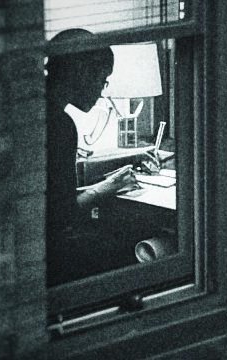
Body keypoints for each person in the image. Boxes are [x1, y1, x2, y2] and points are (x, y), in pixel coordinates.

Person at [44, 29, 138, 286]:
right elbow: (62, 213)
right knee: (129, 249)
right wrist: (107, 188)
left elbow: (55, 196)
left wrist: (108, 182)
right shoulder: (58, 125)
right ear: (83, 72)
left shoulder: (41, 110)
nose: (102, 90)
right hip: (50, 251)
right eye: (102, 79)